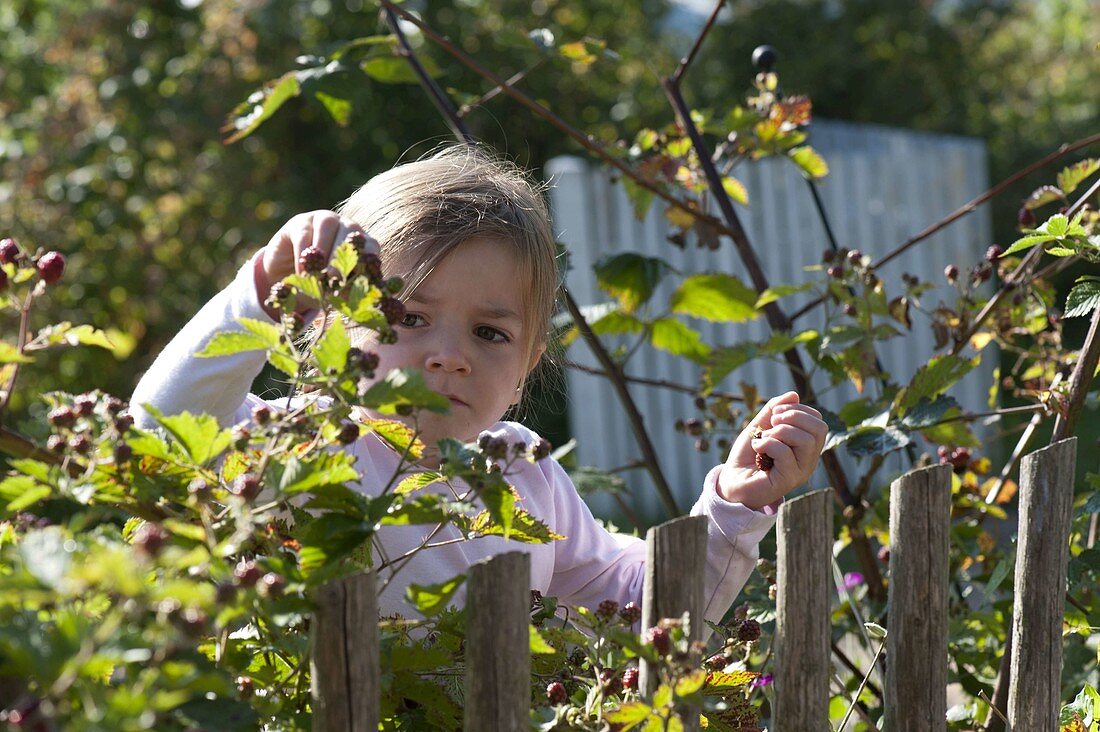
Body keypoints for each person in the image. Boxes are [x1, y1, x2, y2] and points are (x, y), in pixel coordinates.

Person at [131, 144, 828, 624]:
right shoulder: (298, 447)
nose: (449, 356)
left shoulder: (522, 476)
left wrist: (734, 507)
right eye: (407, 318)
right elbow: (164, 430)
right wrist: (260, 291)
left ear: (528, 366)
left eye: (490, 334)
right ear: (326, 321)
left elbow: (640, 609)